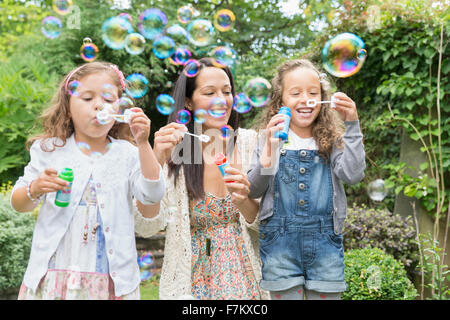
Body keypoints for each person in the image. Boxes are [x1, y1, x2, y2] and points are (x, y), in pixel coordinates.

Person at [10, 61, 165, 300]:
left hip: (111, 279)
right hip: (55, 274)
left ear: (119, 109)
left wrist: (144, 143)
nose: (99, 105)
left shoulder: (128, 154)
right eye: (87, 98)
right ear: (68, 107)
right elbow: (19, 203)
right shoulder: (49, 150)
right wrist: (35, 188)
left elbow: (152, 195)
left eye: (108, 98)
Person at [134, 57, 268, 300]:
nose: (221, 100)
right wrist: (156, 159)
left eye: (227, 92)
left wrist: (244, 202)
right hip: (193, 285)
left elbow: (271, 223)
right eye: (209, 92)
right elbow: (147, 225)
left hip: (249, 283)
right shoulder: (175, 153)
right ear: (188, 102)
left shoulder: (253, 144)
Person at [247, 59, 366, 300]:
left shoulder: (331, 140)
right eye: (296, 92)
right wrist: (270, 151)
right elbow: (252, 189)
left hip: (325, 245)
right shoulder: (269, 137)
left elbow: (353, 174)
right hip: (280, 244)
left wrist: (352, 123)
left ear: (323, 99)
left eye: (313, 92)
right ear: (280, 100)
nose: (306, 99)